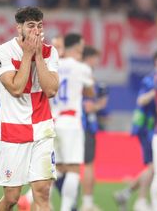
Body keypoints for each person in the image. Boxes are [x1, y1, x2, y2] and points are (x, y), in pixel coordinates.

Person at [0, 6, 59, 211]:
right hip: (13, 130)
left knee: (42, 191)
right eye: (30, 26)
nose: (36, 31)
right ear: (18, 28)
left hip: (42, 128)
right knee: (12, 197)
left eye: (39, 26)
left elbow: (51, 90)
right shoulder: (2, 52)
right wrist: (27, 55)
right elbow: (16, 88)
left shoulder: (49, 52)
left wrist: (38, 56)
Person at [114, 49, 157, 211]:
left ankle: (127, 193)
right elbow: (141, 100)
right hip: (148, 127)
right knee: (155, 165)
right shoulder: (151, 79)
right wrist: (156, 91)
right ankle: (141, 201)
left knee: (156, 166)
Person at [51, 33, 95, 210]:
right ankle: (66, 208)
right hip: (70, 122)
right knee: (74, 169)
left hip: (52, 121)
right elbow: (90, 92)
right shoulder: (81, 68)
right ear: (78, 47)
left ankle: (36, 200)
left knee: (57, 168)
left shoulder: (52, 66)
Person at [79, 46, 106, 211]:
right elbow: (91, 104)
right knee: (87, 164)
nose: (97, 62)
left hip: (65, 124)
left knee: (61, 166)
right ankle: (87, 203)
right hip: (84, 125)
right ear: (89, 58)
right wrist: (95, 105)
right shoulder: (85, 75)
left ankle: (37, 199)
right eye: (96, 58)